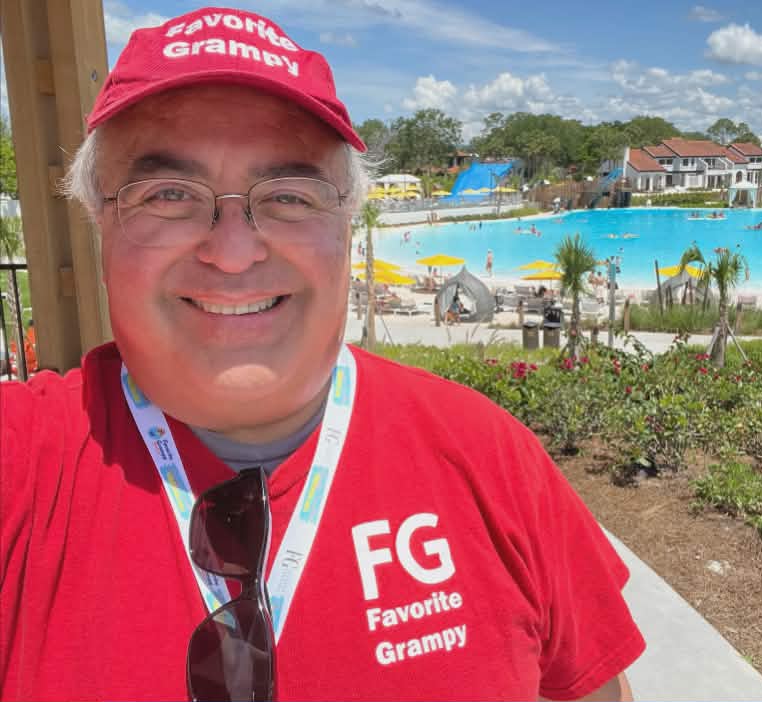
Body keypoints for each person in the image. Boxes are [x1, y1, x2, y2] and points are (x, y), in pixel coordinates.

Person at [0, 7, 644, 701]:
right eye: (168, 195)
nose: (233, 252)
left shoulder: (489, 458)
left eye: (288, 196)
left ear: (346, 225)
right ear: (100, 224)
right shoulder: (23, 466)